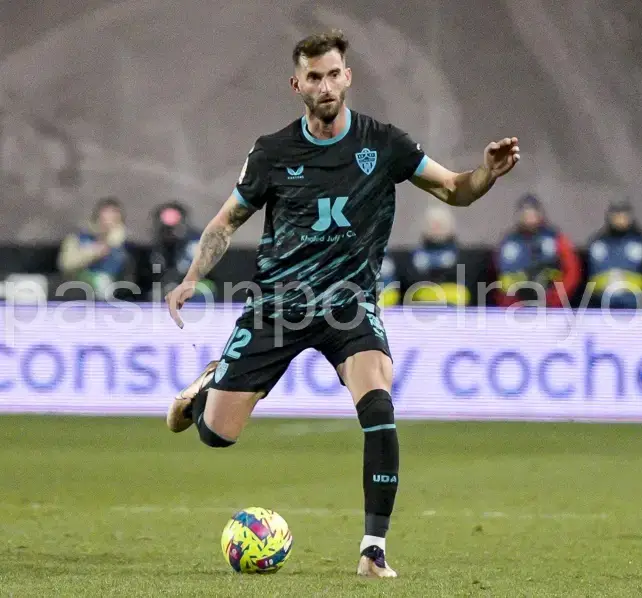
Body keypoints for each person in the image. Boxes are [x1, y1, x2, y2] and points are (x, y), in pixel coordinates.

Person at [163, 30, 520, 578]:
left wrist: (486, 175)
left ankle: (373, 550)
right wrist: (190, 278)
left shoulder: (385, 143)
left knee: (379, 405)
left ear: (347, 77)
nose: (325, 85)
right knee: (216, 435)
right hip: (278, 306)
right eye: (314, 77)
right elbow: (225, 222)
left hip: (349, 307)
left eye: (334, 74)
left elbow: (455, 189)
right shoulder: (273, 152)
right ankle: (211, 384)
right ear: (296, 84)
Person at [494, 193, 581, 307]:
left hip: (550, 304)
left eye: (532, 213)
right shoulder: (508, 242)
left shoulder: (556, 238)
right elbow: (497, 277)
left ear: (540, 214)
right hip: (516, 306)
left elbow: (572, 271)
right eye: (525, 213)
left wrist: (555, 298)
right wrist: (510, 303)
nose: (529, 217)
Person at [57, 196, 131, 300]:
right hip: (80, 289)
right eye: (105, 216)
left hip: (118, 294)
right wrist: (94, 252)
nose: (107, 221)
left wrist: (113, 242)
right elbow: (67, 264)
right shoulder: (78, 239)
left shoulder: (125, 246)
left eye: (113, 217)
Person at [586, 200, 642, 309]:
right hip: (601, 307)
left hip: (635, 307)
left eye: (623, 215)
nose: (620, 219)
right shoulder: (597, 244)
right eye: (616, 215)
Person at [148, 202, 214, 301]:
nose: (170, 233)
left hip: (196, 285)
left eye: (173, 228)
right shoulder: (158, 246)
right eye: (166, 229)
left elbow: (196, 269)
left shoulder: (196, 242)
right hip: (167, 287)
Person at [408, 204, 470, 306]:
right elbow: (410, 286)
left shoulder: (462, 256)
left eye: (440, 224)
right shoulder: (415, 256)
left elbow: (466, 288)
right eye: (432, 224)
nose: (435, 228)